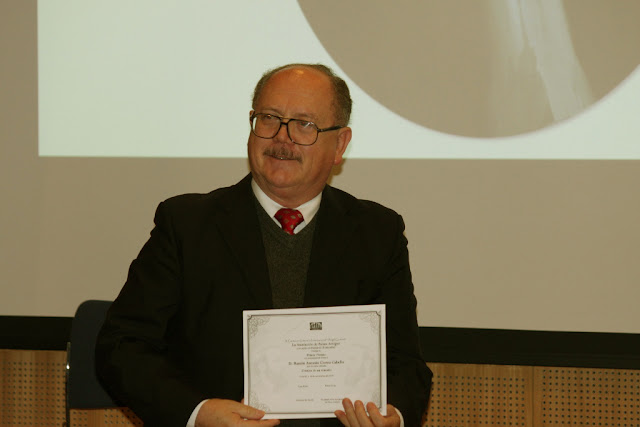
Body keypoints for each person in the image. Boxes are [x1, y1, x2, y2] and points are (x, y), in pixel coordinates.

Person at [96, 63, 432, 427]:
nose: (281, 139)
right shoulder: (186, 225)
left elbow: (406, 366)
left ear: (340, 145)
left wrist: (392, 418)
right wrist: (197, 413)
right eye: (269, 118)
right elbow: (122, 348)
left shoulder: (377, 232)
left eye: (305, 124)